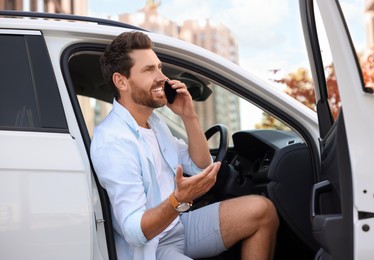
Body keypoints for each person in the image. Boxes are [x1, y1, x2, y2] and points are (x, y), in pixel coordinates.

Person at [91, 31, 279, 260]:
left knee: (262, 210)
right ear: (121, 81)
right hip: (152, 248)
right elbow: (134, 231)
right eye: (149, 70)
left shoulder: (155, 123)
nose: (162, 77)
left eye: (159, 67)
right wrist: (178, 200)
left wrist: (189, 116)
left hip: (178, 225)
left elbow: (200, 166)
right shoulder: (113, 141)